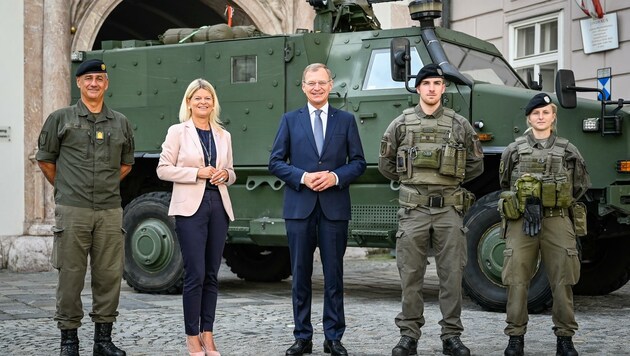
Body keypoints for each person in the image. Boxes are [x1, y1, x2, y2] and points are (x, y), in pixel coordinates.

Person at [378, 63, 484, 356]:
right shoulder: (400, 123)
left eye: (437, 83)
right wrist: (412, 183)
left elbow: (476, 164)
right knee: (410, 275)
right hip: (413, 210)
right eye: (427, 84)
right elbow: (386, 164)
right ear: (418, 88)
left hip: (449, 209)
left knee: (451, 274)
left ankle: (451, 336)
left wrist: (451, 182)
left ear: (443, 89)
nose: (432, 88)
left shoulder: (459, 123)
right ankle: (408, 336)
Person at [36, 59, 134, 356]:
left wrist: (102, 186)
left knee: (109, 276)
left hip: (109, 210)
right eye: (88, 78)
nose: (94, 83)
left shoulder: (120, 122)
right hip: (73, 210)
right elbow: (45, 160)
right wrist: (67, 187)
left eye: (99, 79)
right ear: (78, 83)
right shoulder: (60, 118)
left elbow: (126, 165)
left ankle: (103, 341)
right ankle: (69, 342)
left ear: (106, 84)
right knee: (71, 276)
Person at [269, 63, 366, 356]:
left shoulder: (346, 121)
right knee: (300, 275)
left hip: (334, 209)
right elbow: (275, 161)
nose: (316, 87)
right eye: (311, 83)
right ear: (303, 86)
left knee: (334, 275)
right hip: (299, 209)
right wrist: (303, 176)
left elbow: (359, 162)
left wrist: (335, 176)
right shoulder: (289, 120)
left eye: (321, 82)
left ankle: (333, 338)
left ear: (331, 85)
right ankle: (303, 337)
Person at [498, 93, 590, 356]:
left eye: (546, 112)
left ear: (553, 116)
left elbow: (581, 185)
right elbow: (505, 184)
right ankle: (515, 338)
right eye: (536, 113)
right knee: (516, 279)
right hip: (521, 222)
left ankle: (565, 339)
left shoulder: (568, 150)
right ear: (528, 118)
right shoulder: (514, 150)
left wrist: (554, 201)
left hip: (557, 219)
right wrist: (524, 204)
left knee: (563, 280)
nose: (540, 117)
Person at [157, 79, 235, 356]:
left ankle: (208, 334)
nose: (203, 102)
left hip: (218, 204)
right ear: (188, 102)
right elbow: (163, 169)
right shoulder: (178, 132)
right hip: (190, 206)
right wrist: (196, 173)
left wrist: (225, 174)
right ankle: (192, 336)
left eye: (208, 98)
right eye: (197, 98)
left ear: (214, 103)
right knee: (196, 273)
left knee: (213, 274)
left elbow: (232, 172)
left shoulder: (223, 135)